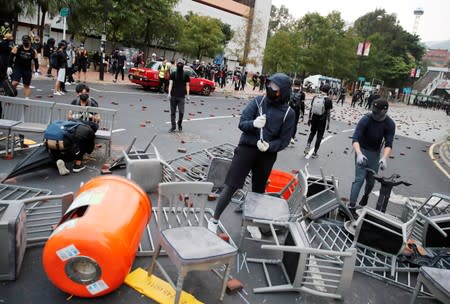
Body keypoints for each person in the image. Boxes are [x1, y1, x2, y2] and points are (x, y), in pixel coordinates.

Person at [207, 73, 295, 233]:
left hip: (266, 155)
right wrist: (253, 124)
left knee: (258, 191)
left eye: (274, 87)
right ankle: (214, 219)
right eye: (269, 85)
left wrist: (269, 146)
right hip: (246, 149)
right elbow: (242, 123)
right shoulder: (258, 102)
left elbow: (284, 140)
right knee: (231, 185)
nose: (270, 88)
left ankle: (253, 223)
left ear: (282, 91)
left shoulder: (289, 113)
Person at [348, 98, 396, 213]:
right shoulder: (366, 119)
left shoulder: (389, 124)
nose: (374, 114)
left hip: (375, 154)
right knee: (359, 179)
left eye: (377, 112)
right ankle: (351, 205)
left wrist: (385, 158)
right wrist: (359, 154)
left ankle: (366, 195)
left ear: (384, 111)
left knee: (371, 181)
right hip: (362, 150)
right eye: (373, 111)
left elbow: (389, 144)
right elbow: (355, 139)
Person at [304, 83, 333, 158]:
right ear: (329, 91)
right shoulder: (328, 100)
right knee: (319, 136)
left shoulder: (315, 97)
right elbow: (328, 112)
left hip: (314, 118)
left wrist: (309, 118)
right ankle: (315, 152)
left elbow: (311, 108)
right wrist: (328, 123)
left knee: (312, 133)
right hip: (322, 121)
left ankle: (308, 145)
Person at [7, 35, 40, 99]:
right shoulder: (17, 48)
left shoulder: (33, 51)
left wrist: (36, 70)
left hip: (27, 69)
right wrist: (9, 66)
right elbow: (11, 57)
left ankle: (26, 99)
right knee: (14, 83)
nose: (25, 42)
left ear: (30, 41)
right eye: (24, 41)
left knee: (26, 85)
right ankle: (9, 96)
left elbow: (36, 61)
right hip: (18, 67)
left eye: (27, 41)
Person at [167, 58, 190, 132]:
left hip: (181, 97)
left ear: (183, 65)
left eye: (181, 63)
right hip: (173, 96)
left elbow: (187, 85)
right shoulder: (173, 74)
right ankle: (173, 127)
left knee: (181, 112)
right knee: (172, 113)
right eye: (178, 63)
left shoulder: (186, 75)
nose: (179, 64)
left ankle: (179, 124)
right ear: (177, 65)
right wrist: (169, 93)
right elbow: (170, 84)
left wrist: (188, 95)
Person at [289, 79, 305, 145]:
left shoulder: (290, 91)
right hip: (296, 110)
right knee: (294, 124)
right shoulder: (302, 93)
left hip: (289, 109)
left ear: (294, 84)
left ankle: (286, 136)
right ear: (300, 84)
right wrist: (302, 113)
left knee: (288, 123)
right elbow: (302, 104)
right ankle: (292, 137)